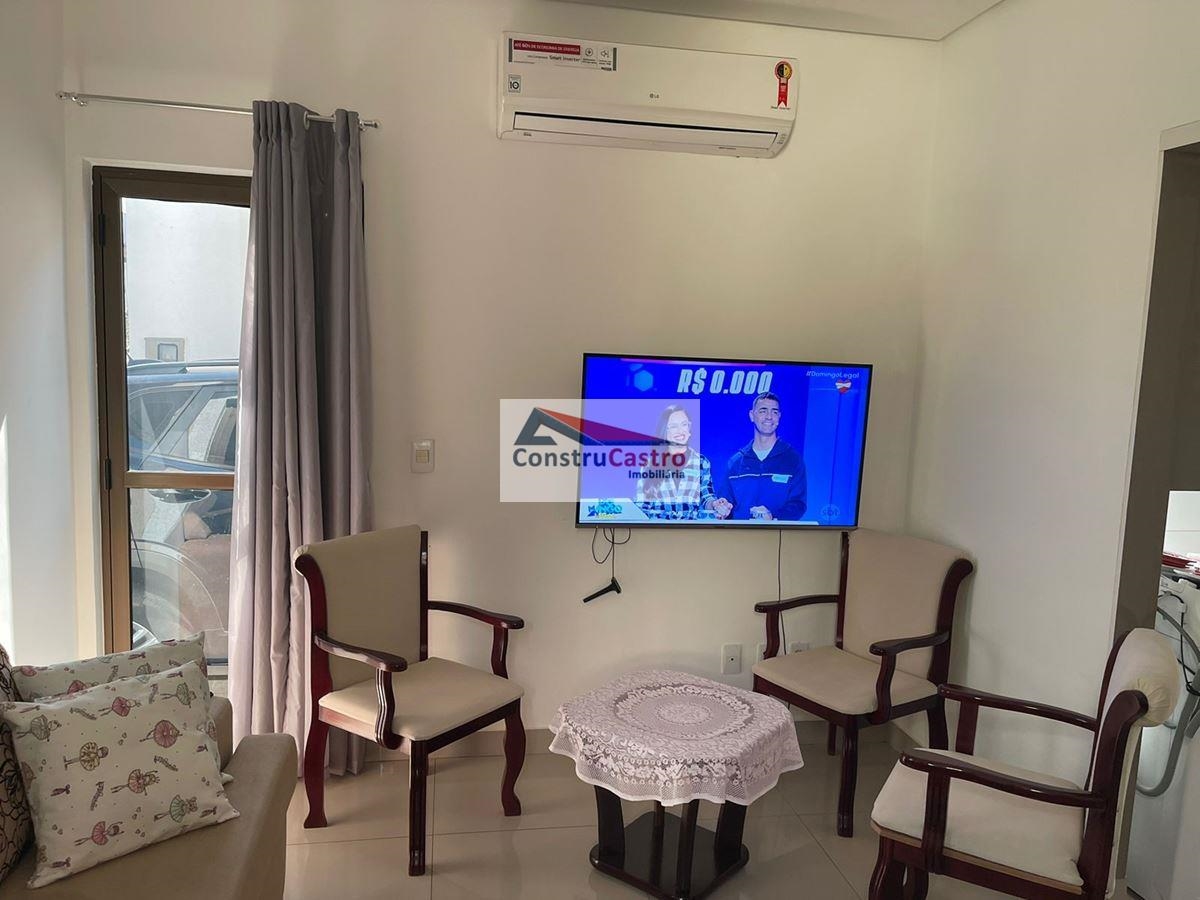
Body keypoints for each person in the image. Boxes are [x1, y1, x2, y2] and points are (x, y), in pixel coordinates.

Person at [717, 391, 806, 521]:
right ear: (752, 416)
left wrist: (772, 517)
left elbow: (798, 504)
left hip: (777, 533)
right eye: (763, 411)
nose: (769, 417)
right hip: (740, 533)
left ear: (779, 417)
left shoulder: (793, 460)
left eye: (774, 412)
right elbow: (725, 504)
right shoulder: (736, 462)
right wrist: (722, 508)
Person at [634, 405, 724, 521]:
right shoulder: (650, 464)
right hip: (659, 529)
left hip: (691, 529)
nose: (680, 431)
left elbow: (707, 497)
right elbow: (642, 506)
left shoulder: (701, 462)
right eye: (673, 426)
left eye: (684, 424)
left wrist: (716, 505)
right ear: (664, 431)